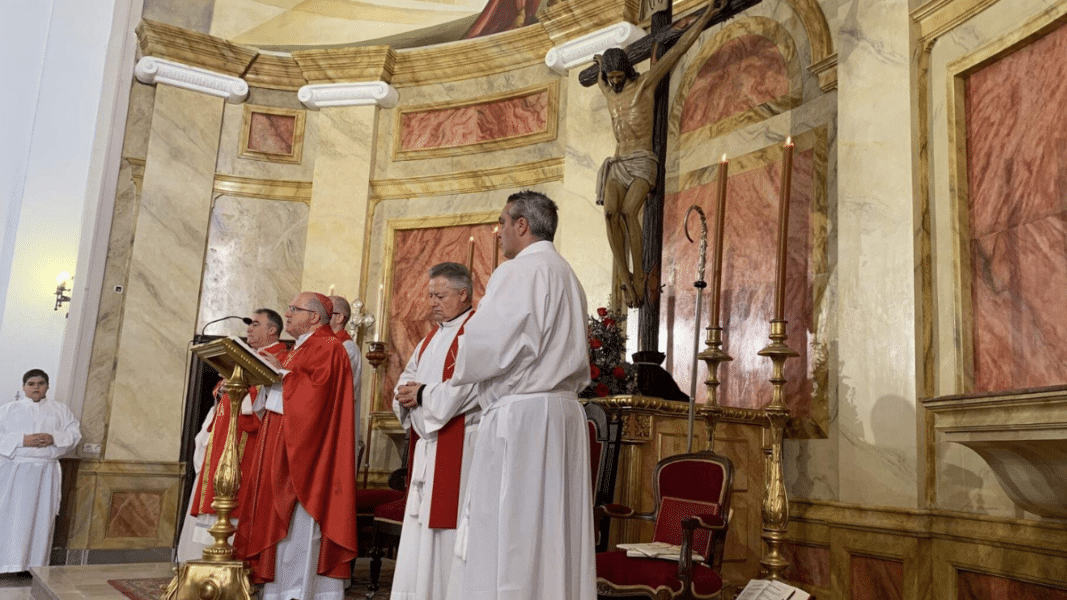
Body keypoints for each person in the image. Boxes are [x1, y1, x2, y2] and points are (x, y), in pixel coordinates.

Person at [397, 190, 595, 600]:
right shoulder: (568, 276)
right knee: (553, 528)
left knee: (510, 530)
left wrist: (452, 375)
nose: (498, 231)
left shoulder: (518, 272)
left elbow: (480, 350)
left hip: (521, 417)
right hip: (562, 415)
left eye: (503, 222)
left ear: (522, 224)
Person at [594, 0, 724, 307]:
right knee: (610, 213)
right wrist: (600, 64)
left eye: (616, 75)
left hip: (642, 161)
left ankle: (639, 276)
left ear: (626, 69)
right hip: (618, 162)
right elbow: (599, 78)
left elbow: (677, 51)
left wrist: (706, 15)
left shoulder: (645, 86)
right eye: (610, 76)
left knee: (628, 212)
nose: (612, 81)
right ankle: (625, 277)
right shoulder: (607, 89)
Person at [234, 293, 358, 600]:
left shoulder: (330, 348)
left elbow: (316, 401)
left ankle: (298, 592)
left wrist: (280, 377)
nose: (287, 315)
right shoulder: (297, 349)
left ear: (315, 317)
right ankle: (277, 590)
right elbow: (284, 389)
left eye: (294, 309)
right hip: (281, 446)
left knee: (298, 527)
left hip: (306, 456)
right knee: (279, 526)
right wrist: (267, 377)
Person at [391, 263, 481, 600]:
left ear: (463, 294)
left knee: (448, 531)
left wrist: (422, 395)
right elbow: (408, 374)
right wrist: (406, 394)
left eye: (439, 295)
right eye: (430, 295)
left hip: (460, 443)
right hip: (429, 442)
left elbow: (466, 388)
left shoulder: (475, 332)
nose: (432, 302)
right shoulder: (432, 337)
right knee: (420, 528)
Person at [176, 308, 287, 562]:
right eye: (249, 325)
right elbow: (225, 387)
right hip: (223, 436)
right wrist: (222, 389)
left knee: (235, 498)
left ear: (272, 330)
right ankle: (199, 558)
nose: (249, 329)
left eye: (256, 324)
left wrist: (238, 389)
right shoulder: (248, 355)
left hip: (246, 441)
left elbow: (266, 397)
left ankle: (227, 558)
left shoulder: (278, 357)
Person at [0, 369, 81, 573]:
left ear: (47, 386)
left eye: (41, 383)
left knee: (41, 519)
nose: (36, 387)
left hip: (46, 473)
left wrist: (54, 438)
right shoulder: (9, 409)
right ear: (23, 387)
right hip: (16, 472)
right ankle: (7, 563)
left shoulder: (61, 410)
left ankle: (34, 566)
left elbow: (74, 434)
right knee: (12, 516)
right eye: (31, 383)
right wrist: (21, 439)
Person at [328, 295, 364, 453]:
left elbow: (335, 388)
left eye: (326, 311)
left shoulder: (347, 348)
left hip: (336, 422)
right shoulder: (328, 344)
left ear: (339, 317)